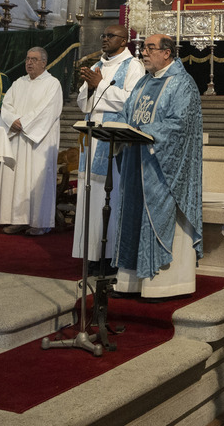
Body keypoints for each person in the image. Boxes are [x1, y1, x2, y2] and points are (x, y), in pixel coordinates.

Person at [112, 34, 203, 298]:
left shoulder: (182, 84)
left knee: (156, 216)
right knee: (131, 215)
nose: (143, 53)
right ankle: (130, 283)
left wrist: (144, 130)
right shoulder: (143, 82)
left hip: (164, 169)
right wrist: (117, 126)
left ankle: (162, 285)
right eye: (143, 48)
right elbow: (127, 112)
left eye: (150, 48)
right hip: (136, 162)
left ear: (167, 53)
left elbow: (180, 125)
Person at [72, 23, 145, 263]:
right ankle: (90, 256)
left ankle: (110, 256)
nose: (104, 39)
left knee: (109, 197)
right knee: (88, 197)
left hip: (115, 143)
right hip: (92, 141)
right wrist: (92, 88)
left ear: (124, 41)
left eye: (110, 36)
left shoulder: (133, 66)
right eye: (103, 35)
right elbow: (84, 105)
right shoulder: (97, 65)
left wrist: (99, 86)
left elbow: (133, 102)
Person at [0, 47, 64, 236]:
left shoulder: (52, 84)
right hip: (18, 138)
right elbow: (6, 105)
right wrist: (12, 121)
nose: (29, 62)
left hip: (38, 141)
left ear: (44, 62)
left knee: (38, 179)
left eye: (34, 59)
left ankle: (40, 222)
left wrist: (24, 122)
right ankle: (18, 219)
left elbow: (48, 110)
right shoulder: (19, 83)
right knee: (17, 180)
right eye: (27, 59)